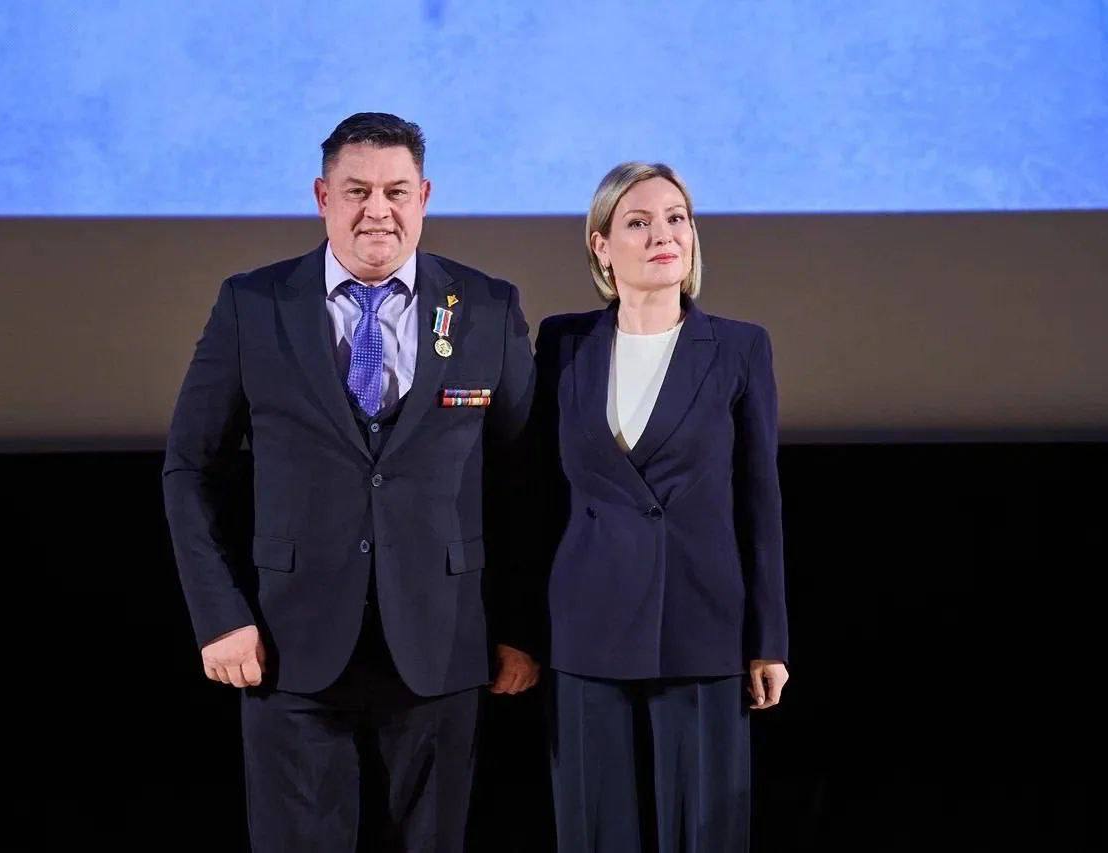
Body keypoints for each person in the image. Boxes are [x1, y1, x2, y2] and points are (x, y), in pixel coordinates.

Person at [162, 112, 540, 852]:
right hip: (287, 647)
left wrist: (521, 627)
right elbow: (190, 469)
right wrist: (220, 616)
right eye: (357, 190)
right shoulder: (254, 304)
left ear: (424, 196)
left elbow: (524, 481)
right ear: (322, 197)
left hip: (442, 645)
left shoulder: (487, 305)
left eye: (396, 191)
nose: (378, 210)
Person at [532, 162, 789, 852]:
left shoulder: (739, 346)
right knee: (593, 831)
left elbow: (760, 502)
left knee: (706, 832)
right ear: (601, 245)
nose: (663, 235)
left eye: (676, 219)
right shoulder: (563, 344)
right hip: (587, 624)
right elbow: (537, 494)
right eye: (639, 222)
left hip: (702, 623)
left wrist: (769, 639)